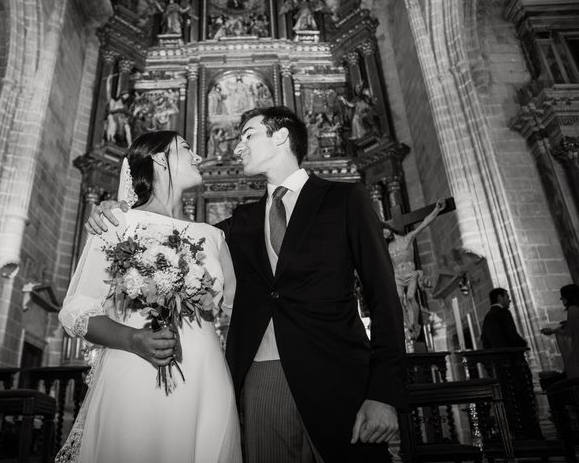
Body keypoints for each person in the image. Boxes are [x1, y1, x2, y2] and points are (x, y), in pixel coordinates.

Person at [87, 106, 407, 462]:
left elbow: (384, 297)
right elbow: (172, 238)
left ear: (281, 136)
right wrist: (117, 208)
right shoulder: (237, 223)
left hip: (338, 375)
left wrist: (385, 393)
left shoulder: (346, 199)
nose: (237, 147)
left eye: (248, 136)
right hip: (260, 377)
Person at [57, 131, 241, 463]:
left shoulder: (214, 237)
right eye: (187, 148)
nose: (198, 157)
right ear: (158, 158)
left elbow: (235, 308)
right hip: (136, 369)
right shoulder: (117, 222)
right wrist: (135, 339)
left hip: (206, 375)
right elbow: (75, 311)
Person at [383, 199, 446, 343]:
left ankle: (415, 323)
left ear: (389, 228)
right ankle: (408, 326)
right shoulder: (387, 248)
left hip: (410, 274)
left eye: (385, 230)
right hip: (398, 276)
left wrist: (437, 210)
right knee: (398, 300)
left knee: (411, 297)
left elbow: (424, 223)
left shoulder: (408, 238)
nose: (385, 234)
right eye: (382, 234)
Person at [541, 284, 579, 378]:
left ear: (568, 296)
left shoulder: (573, 309)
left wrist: (553, 331)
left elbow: (569, 333)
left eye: (562, 296)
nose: (561, 299)